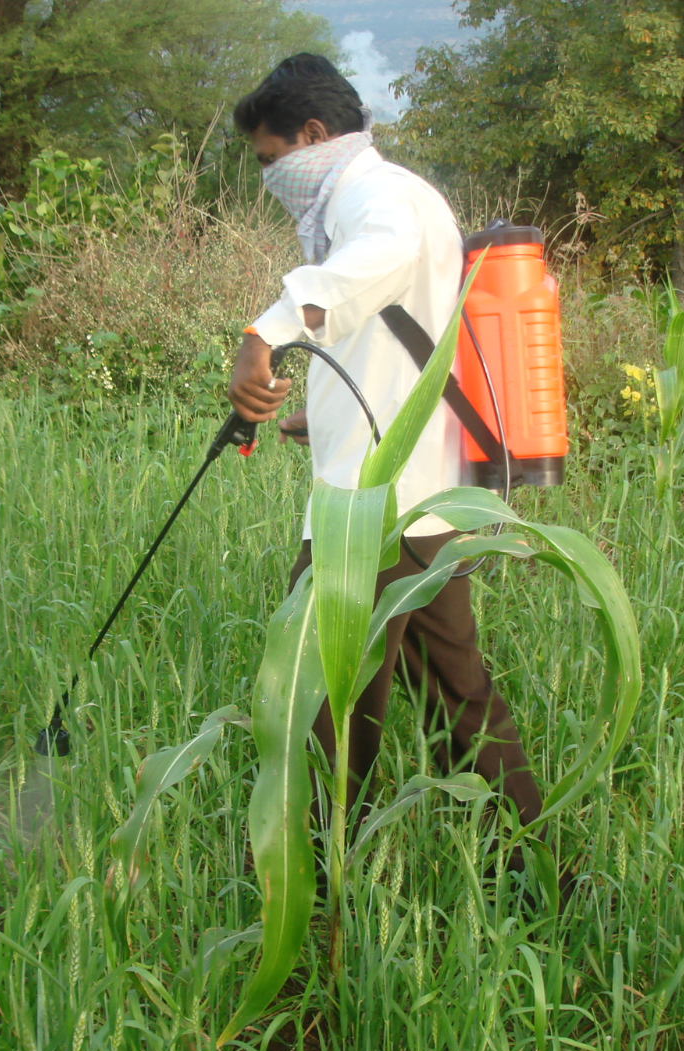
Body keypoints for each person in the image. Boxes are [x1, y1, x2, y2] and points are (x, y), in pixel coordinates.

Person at [226, 54, 544, 849]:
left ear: (313, 136)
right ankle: (545, 874)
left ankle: (317, 900)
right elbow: (390, 349)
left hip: (370, 511)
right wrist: (315, 417)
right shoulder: (376, 195)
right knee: (459, 700)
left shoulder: (381, 198)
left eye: (271, 160)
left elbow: (368, 268)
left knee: (322, 704)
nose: (270, 178)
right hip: (417, 500)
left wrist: (263, 332)